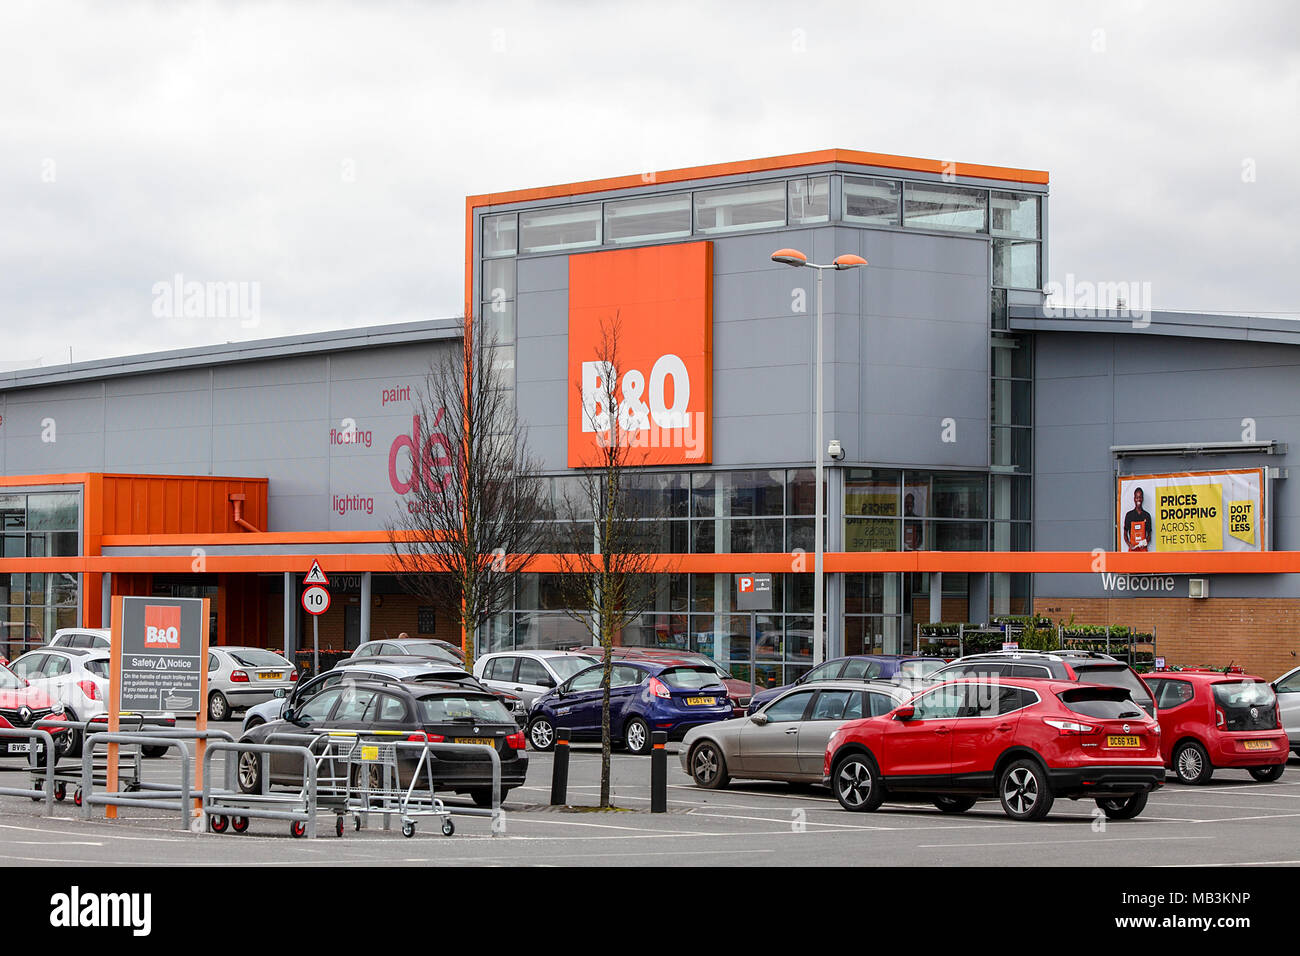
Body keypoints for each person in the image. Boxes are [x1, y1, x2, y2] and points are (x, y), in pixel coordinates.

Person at [1123, 487, 1153, 551]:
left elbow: (1149, 535)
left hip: (1143, 550)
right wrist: (1129, 544)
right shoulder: (1129, 515)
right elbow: (1125, 533)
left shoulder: (1147, 515)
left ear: (1142, 499)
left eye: (1140, 497)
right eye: (1137, 497)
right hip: (1132, 550)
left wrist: (1145, 542)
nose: (1138, 499)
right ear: (1134, 499)